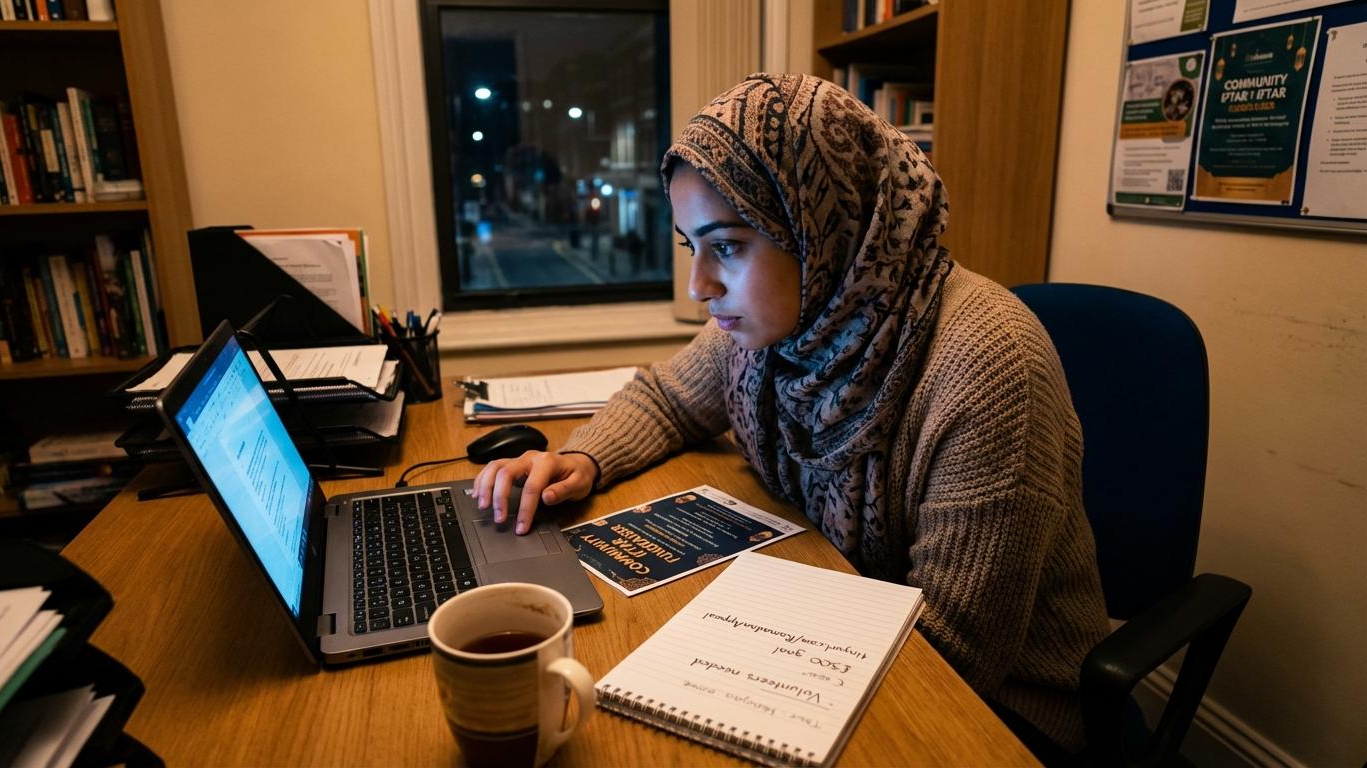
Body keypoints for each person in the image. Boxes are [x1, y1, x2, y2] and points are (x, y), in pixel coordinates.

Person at [472, 73, 1109, 755]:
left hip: (1000, 714)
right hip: (837, 637)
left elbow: (957, 654)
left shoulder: (989, 363)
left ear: (821, 225)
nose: (699, 288)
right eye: (693, 246)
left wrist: (730, 637)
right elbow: (666, 397)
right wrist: (581, 458)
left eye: (729, 246)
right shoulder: (782, 325)